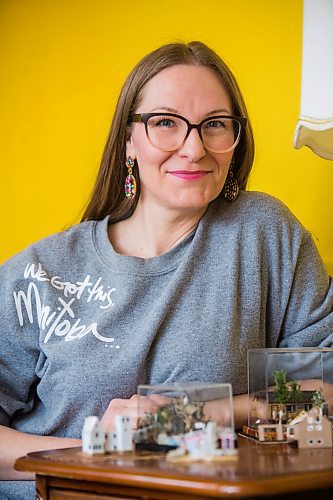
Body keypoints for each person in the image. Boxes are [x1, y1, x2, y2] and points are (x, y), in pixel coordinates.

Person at [1, 40, 333, 499]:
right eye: (164, 123)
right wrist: (105, 456)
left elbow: (327, 394)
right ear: (129, 142)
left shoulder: (264, 234)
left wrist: (206, 414)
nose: (193, 148)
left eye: (214, 125)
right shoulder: (41, 272)